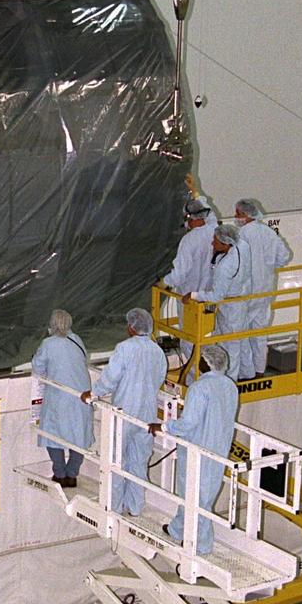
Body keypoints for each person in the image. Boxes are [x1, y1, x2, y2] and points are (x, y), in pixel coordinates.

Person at [148, 343, 238, 556]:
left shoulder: (200, 388)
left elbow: (188, 423)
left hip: (197, 448)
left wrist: (163, 427)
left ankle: (202, 545)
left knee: (196, 497)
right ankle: (177, 529)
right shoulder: (230, 386)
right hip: (219, 448)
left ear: (205, 363)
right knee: (200, 494)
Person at [80, 308, 167, 515]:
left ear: (131, 327)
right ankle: (135, 507)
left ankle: (114, 508)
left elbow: (111, 378)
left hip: (124, 413)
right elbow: (159, 379)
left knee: (116, 461)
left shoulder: (124, 348)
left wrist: (92, 393)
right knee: (138, 463)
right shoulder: (157, 352)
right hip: (147, 415)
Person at [31, 309, 93, 487]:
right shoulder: (77, 340)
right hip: (82, 397)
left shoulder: (49, 344)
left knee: (53, 435)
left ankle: (59, 473)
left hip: (59, 399)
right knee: (78, 437)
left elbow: (38, 368)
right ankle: (72, 475)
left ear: (52, 324)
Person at [234, 198, 293, 377]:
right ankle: (259, 370)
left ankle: (246, 373)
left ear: (245, 214)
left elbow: (234, 263)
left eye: (237, 213)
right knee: (259, 333)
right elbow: (284, 257)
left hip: (246, 292)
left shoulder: (242, 235)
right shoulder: (269, 233)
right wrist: (267, 266)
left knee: (241, 334)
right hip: (265, 291)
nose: (236, 217)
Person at [190, 222, 253, 382]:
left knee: (232, 345)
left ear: (226, 244)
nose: (212, 243)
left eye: (215, 241)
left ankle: (231, 380)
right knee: (241, 339)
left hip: (231, 306)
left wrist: (194, 295)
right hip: (242, 299)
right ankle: (249, 373)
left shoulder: (225, 267)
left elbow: (217, 295)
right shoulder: (242, 245)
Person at [161, 197, 218, 371]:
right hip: (209, 296)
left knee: (188, 337)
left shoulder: (189, 241)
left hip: (189, 298)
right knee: (208, 333)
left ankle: (194, 374)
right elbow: (209, 211)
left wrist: (164, 283)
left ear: (192, 218)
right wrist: (195, 192)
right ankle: (207, 368)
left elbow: (180, 273)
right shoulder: (214, 230)